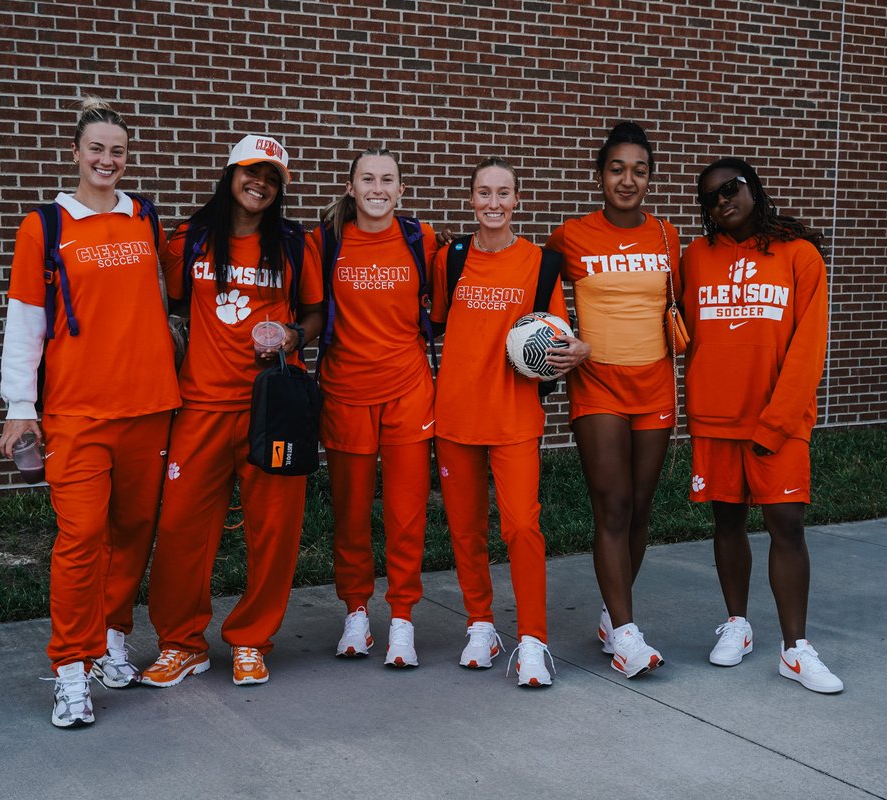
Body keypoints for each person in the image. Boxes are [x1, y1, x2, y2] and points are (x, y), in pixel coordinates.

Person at [0, 97, 180, 728]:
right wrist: (21, 407)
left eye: (118, 151)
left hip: (151, 404)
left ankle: (110, 642)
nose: (108, 160)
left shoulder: (145, 219)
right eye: (97, 148)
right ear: (76, 153)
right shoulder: (45, 225)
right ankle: (70, 668)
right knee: (80, 540)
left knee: (132, 534)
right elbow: (24, 322)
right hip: (77, 411)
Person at [139, 135, 324, 689]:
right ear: (230, 174)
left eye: (272, 177)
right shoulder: (190, 240)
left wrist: (291, 333)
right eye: (251, 172)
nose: (260, 183)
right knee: (180, 528)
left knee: (275, 529)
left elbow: (315, 315)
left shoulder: (294, 244)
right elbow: (165, 307)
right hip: (200, 404)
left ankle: (251, 640)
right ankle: (181, 643)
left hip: (273, 407)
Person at [682, 157, 842, 693]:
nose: (722, 201)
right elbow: (682, 332)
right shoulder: (695, 258)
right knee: (727, 524)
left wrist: (776, 423)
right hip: (716, 418)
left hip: (777, 421)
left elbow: (808, 349)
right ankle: (737, 624)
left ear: (753, 188)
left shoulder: (800, 255)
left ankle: (795, 648)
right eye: (710, 197)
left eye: (730, 188)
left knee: (786, 526)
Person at [432, 158, 588, 687]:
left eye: (503, 193)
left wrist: (578, 350)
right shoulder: (449, 260)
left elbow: (558, 338)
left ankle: (534, 640)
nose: (493, 202)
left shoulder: (541, 264)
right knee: (466, 530)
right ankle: (481, 625)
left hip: (515, 416)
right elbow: (429, 324)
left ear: (517, 200)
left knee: (522, 526)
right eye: (483, 192)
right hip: (454, 415)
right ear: (471, 199)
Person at [544, 122, 680, 678]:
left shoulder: (669, 237)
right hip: (597, 383)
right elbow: (542, 303)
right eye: (618, 169)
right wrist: (562, 339)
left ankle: (610, 614)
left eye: (640, 170)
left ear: (650, 178)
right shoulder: (570, 235)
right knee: (613, 505)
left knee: (641, 508)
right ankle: (626, 635)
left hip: (655, 385)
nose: (629, 180)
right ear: (599, 175)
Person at [316, 148, 438, 667]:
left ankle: (404, 618)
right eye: (367, 178)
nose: (377, 188)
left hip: (409, 390)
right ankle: (357, 613)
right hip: (345, 392)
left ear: (401, 190)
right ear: (351, 187)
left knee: (406, 514)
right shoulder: (325, 242)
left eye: (388, 179)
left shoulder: (421, 240)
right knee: (350, 515)